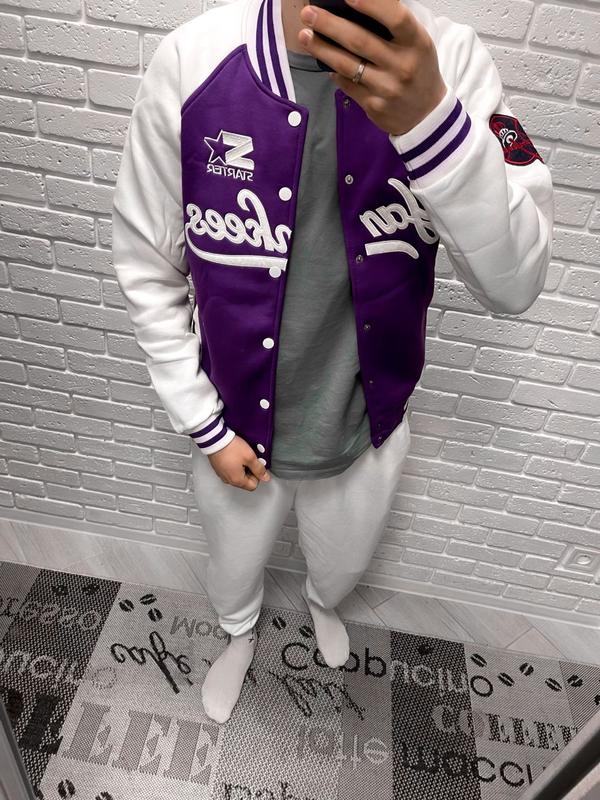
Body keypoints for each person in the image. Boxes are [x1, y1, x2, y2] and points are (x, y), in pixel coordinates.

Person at [111, 0, 555, 724]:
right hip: (234, 425)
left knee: (344, 557)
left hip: (366, 421)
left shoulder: (454, 64)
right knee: (233, 563)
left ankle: (323, 602)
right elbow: (146, 263)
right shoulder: (193, 59)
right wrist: (201, 423)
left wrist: (431, 124)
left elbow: (518, 282)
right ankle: (239, 631)